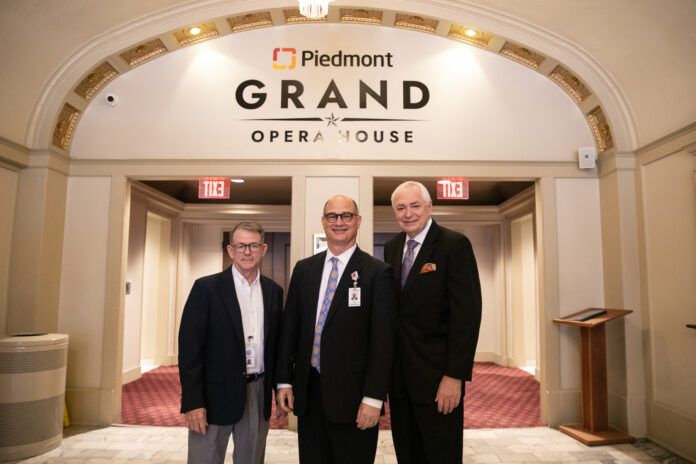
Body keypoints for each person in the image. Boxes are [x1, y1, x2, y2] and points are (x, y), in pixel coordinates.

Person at [275, 195, 397, 464]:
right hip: (308, 394)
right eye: (332, 216)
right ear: (323, 221)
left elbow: (383, 342)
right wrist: (284, 379)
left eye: (346, 216)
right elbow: (290, 329)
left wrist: (374, 398)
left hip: (354, 399)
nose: (339, 222)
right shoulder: (304, 269)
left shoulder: (377, 273)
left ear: (358, 221)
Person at [384, 181, 482, 464]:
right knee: (408, 454)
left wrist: (454, 377)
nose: (408, 213)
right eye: (401, 207)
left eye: (415, 206)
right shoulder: (392, 247)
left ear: (430, 207)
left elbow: (467, 317)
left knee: (441, 455)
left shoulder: (454, 245)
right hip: (400, 380)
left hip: (439, 380)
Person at [178, 221, 283, 464]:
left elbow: (277, 346)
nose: (247, 251)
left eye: (253, 245)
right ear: (230, 250)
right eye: (241, 245)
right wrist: (193, 402)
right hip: (213, 396)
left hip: (257, 392)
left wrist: (279, 388)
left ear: (263, 249)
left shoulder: (273, 291)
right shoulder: (206, 288)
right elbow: (189, 351)